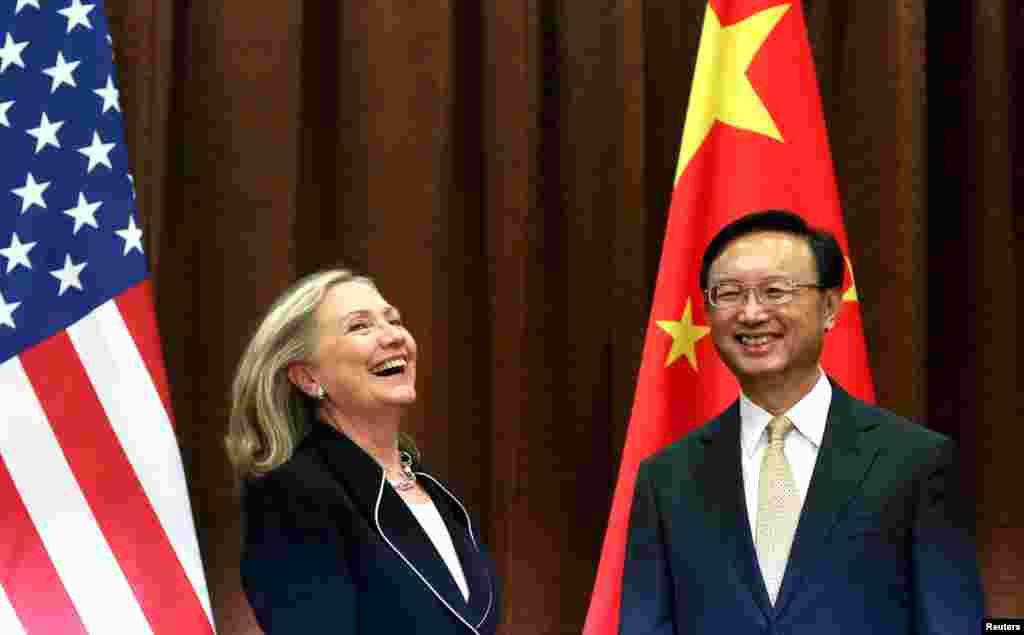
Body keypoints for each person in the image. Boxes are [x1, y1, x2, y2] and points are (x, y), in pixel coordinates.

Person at [619, 210, 983, 634]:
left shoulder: (915, 463)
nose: (752, 313)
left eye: (775, 290)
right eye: (730, 293)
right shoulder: (666, 479)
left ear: (829, 307)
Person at [226, 269, 500, 635]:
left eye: (394, 320)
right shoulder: (293, 493)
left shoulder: (435, 492)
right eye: (360, 327)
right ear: (308, 378)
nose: (393, 337)